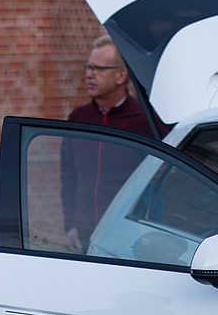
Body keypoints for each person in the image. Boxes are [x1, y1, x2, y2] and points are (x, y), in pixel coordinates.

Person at [60, 36, 156, 252]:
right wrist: (70, 226)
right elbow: (68, 176)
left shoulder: (145, 121)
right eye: (88, 67)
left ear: (121, 75)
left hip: (129, 236)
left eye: (98, 69)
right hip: (84, 235)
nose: (89, 74)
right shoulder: (78, 119)